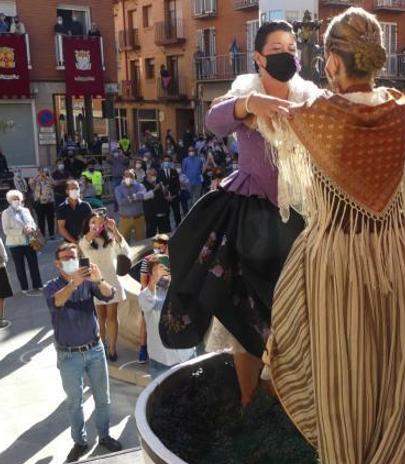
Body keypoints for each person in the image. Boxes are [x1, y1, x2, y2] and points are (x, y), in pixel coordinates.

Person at [259, 9, 405, 464]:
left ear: (331, 61)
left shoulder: (318, 117)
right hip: (398, 253)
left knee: (343, 365)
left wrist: (256, 91)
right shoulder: (398, 105)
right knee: (394, 357)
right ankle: (397, 458)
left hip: (339, 260)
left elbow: (277, 129)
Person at [160, 21, 316, 409]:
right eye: (277, 47)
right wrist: (249, 106)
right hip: (251, 219)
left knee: (296, 315)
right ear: (260, 58)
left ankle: (286, 398)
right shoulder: (246, 88)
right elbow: (214, 121)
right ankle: (248, 399)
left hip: (301, 215)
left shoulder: (309, 93)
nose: (287, 53)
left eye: (291, 45)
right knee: (247, 315)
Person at [44, 243, 123, 463]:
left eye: (74, 257)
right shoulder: (51, 286)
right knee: (74, 402)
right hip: (68, 355)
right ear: (57, 263)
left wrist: (98, 279)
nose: (71, 260)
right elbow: (56, 301)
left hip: (95, 350)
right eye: (66, 257)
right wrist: (73, 284)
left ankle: (104, 436)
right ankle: (80, 441)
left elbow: (109, 294)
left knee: (103, 399)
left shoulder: (88, 282)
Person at [79, 213, 130, 361]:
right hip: (94, 284)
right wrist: (92, 231)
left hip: (112, 282)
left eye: (99, 222)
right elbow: (82, 246)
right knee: (100, 317)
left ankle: (112, 349)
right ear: (87, 224)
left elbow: (125, 250)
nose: (96, 224)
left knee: (112, 317)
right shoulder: (86, 241)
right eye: (92, 222)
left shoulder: (110, 239)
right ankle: (101, 347)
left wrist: (114, 229)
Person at [139, 258, 196, 375]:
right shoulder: (148, 294)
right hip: (161, 364)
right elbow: (145, 303)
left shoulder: (185, 291)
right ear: (151, 274)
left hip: (187, 358)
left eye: (167, 269)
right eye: (157, 270)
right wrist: (153, 281)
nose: (163, 273)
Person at [2, 190, 43, 294]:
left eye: (18, 199)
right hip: (15, 243)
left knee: (33, 263)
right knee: (19, 266)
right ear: (9, 200)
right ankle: (24, 287)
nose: (16, 201)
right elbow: (6, 230)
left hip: (29, 241)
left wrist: (31, 228)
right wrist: (21, 231)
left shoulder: (26, 210)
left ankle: (37, 284)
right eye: (13, 199)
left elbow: (33, 222)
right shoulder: (6, 213)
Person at [56, 180, 94, 244]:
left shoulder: (85, 205)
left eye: (77, 188)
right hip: (70, 243)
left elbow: (93, 222)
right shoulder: (62, 208)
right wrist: (75, 242)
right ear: (67, 191)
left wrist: (86, 239)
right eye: (72, 189)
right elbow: (61, 228)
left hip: (87, 241)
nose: (75, 190)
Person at [113, 170, 146, 242]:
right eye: (126, 176)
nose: (129, 178)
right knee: (123, 241)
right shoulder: (118, 188)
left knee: (141, 240)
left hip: (139, 218)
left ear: (134, 177)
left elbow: (142, 196)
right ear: (123, 177)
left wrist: (129, 198)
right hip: (125, 219)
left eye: (131, 176)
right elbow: (120, 202)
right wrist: (134, 197)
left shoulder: (140, 186)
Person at [142, 166, 171, 236]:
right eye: (152, 175)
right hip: (151, 214)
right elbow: (144, 197)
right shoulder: (142, 184)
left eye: (155, 175)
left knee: (165, 232)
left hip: (162, 211)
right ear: (147, 174)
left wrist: (165, 190)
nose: (154, 176)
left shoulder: (159, 182)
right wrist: (155, 189)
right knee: (151, 233)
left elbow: (166, 194)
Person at [30, 167, 56, 239]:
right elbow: (30, 183)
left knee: (50, 219)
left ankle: (51, 234)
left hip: (49, 202)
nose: (42, 173)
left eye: (44, 172)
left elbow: (54, 184)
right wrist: (37, 176)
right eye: (41, 172)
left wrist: (48, 175)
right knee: (40, 219)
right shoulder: (36, 180)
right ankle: (42, 234)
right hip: (39, 202)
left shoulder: (49, 179)